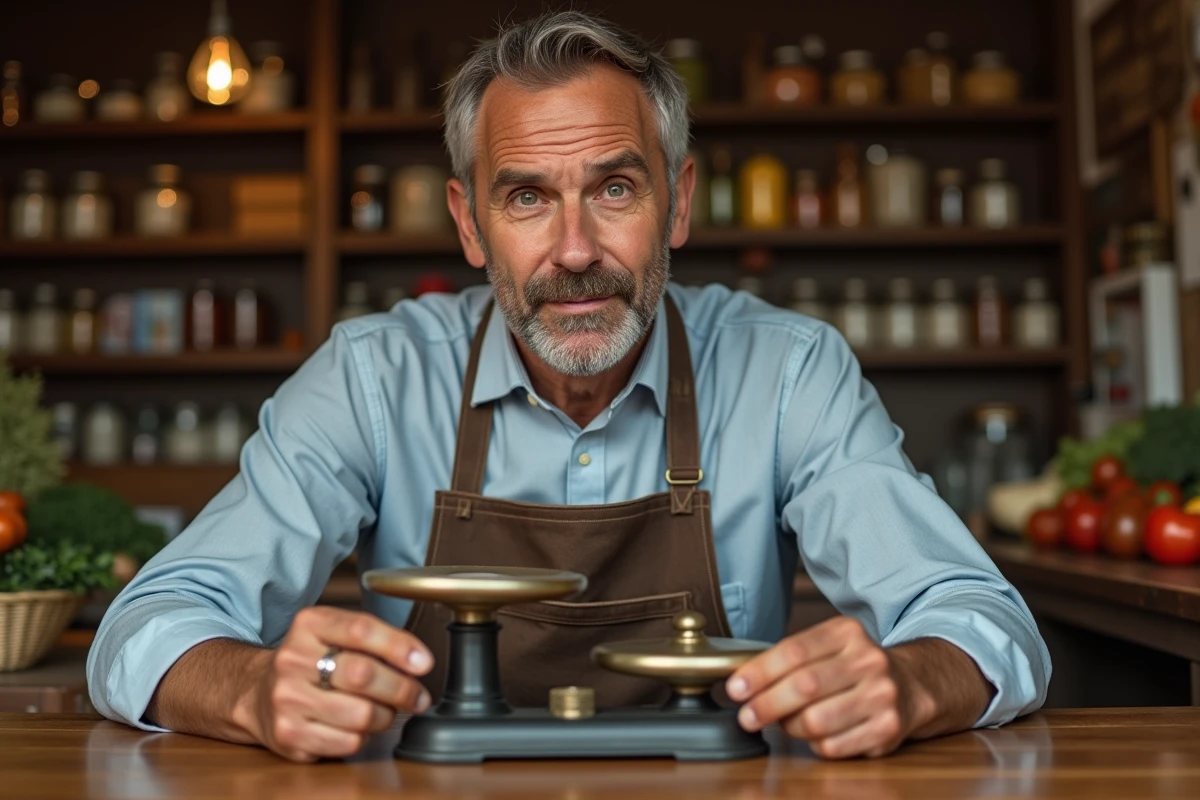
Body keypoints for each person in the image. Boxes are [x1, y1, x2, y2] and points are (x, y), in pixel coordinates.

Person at [88, 10, 1050, 763]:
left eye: (616, 189)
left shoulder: (788, 370)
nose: (577, 251)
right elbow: (146, 625)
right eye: (527, 199)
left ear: (677, 202)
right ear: (470, 227)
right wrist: (254, 691)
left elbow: (981, 619)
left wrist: (914, 681)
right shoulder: (373, 377)